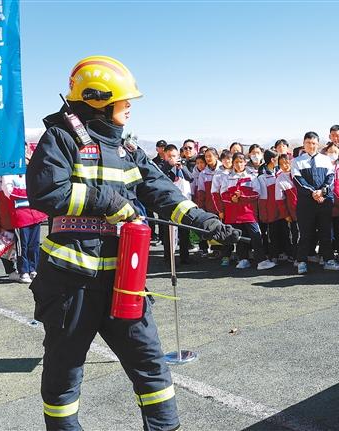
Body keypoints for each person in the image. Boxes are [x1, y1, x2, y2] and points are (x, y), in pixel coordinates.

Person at [26, 56, 241, 431]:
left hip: (124, 281)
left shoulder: (127, 149)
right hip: (70, 284)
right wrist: (106, 200)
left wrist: (206, 222)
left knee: (150, 364)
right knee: (64, 371)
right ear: (98, 100)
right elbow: (46, 191)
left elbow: (163, 193)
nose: (129, 106)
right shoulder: (60, 137)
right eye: (123, 100)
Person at [291, 131, 339, 274]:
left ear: (318, 144)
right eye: (308, 143)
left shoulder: (325, 160)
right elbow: (298, 181)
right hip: (306, 203)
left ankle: (328, 260)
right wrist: (313, 193)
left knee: (325, 232)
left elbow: (330, 179)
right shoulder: (296, 161)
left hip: (324, 201)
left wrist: (322, 192)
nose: (311, 145)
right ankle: (301, 261)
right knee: (305, 233)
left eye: (314, 143)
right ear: (303, 144)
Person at [220, 153, 275, 270]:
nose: (238, 165)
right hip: (234, 214)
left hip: (249, 213)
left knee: (256, 236)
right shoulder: (227, 177)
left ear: (245, 162)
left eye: (241, 162)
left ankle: (261, 260)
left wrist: (242, 196)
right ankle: (243, 259)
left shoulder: (252, 177)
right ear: (232, 163)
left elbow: (257, 193)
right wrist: (232, 198)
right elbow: (222, 194)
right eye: (236, 162)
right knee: (240, 237)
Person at [158, 144, 194, 264]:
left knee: (184, 231)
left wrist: (181, 167)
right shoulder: (161, 167)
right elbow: (162, 177)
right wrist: (169, 165)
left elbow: (190, 178)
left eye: (174, 156)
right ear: (165, 156)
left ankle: (185, 256)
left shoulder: (182, 165)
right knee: (169, 233)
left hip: (184, 202)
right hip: (169, 203)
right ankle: (169, 259)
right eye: (169, 156)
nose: (172, 158)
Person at [0, 174, 23, 282]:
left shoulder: (19, 175)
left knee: (23, 246)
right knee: (6, 247)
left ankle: (25, 270)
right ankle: (11, 271)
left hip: (22, 218)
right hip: (5, 220)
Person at [275, 154, 299, 261]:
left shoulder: (299, 173)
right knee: (296, 234)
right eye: (281, 164)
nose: (284, 166)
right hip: (293, 212)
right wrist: (285, 214)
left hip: (306, 209)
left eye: (286, 162)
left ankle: (309, 253)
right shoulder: (280, 179)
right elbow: (279, 199)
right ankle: (296, 256)